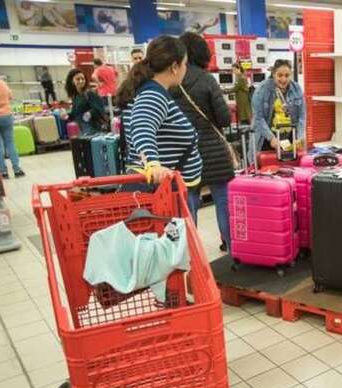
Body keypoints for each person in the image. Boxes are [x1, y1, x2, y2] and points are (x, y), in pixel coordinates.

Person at [121, 35, 202, 216]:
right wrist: (153, 164)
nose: (185, 69)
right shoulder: (153, 95)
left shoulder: (150, 91)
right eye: (184, 64)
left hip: (171, 189)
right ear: (174, 66)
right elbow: (142, 128)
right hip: (165, 194)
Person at [171, 32, 233, 251]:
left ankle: (189, 256)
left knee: (188, 208)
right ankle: (231, 250)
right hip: (213, 152)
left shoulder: (170, 82)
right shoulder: (207, 79)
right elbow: (224, 118)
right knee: (223, 204)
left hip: (184, 154)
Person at [251, 59, 305, 154]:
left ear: (291, 75)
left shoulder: (297, 89)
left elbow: (302, 117)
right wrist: (271, 138)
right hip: (266, 139)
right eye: (280, 75)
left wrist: (299, 137)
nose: (283, 79)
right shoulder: (262, 90)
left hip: (289, 139)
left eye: (287, 75)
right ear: (273, 74)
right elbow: (258, 118)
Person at [65, 68, 107, 134]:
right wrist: (67, 115)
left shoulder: (90, 93)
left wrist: (90, 113)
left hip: (93, 129)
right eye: (78, 79)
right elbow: (75, 114)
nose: (81, 81)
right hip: (81, 129)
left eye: (83, 79)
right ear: (72, 81)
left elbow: (100, 109)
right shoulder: (75, 96)